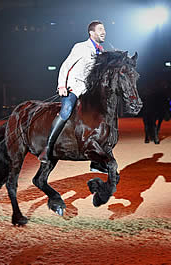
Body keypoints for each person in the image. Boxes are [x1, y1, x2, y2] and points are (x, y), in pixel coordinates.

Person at [39, 20, 107, 173]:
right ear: (92, 33)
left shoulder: (101, 51)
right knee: (66, 111)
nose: (104, 32)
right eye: (101, 29)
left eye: (104, 29)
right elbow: (66, 65)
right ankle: (47, 148)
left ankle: (95, 162)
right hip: (74, 87)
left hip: (89, 91)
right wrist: (61, 85)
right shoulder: (81, 47)